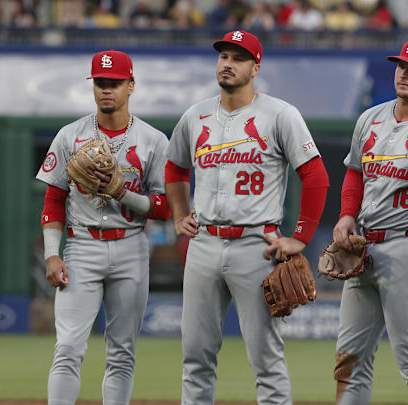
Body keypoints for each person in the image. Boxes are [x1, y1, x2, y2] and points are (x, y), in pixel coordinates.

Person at [165, 30, 330, 405]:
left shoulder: (280, 114)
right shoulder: (196, 116)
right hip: (204, 243)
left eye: (238, 58)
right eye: (223, 56)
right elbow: (174, 168)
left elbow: (316, 176)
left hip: (257, 246)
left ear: (255, 67)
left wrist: (300, 237)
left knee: (266, 358)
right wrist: (178, 214)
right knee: (195, 356)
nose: (227, 63)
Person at [36, 50, 171, 405]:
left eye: (114, 83)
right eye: (100, 83)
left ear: (131, 86)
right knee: (67, 347)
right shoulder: (70, 135)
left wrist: (122, 192)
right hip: (82, 246)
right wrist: (53, 254)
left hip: (131, 246)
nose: (106, 90)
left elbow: (165, 207)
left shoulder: (154, 140)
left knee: (122, 352)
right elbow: (53, 201)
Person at [331, 39, 408, 404]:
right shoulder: (371, 118)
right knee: (349, 357)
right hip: (363, 246)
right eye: (400, 66)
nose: (404, 73)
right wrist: (347, 215)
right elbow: (355, 173)